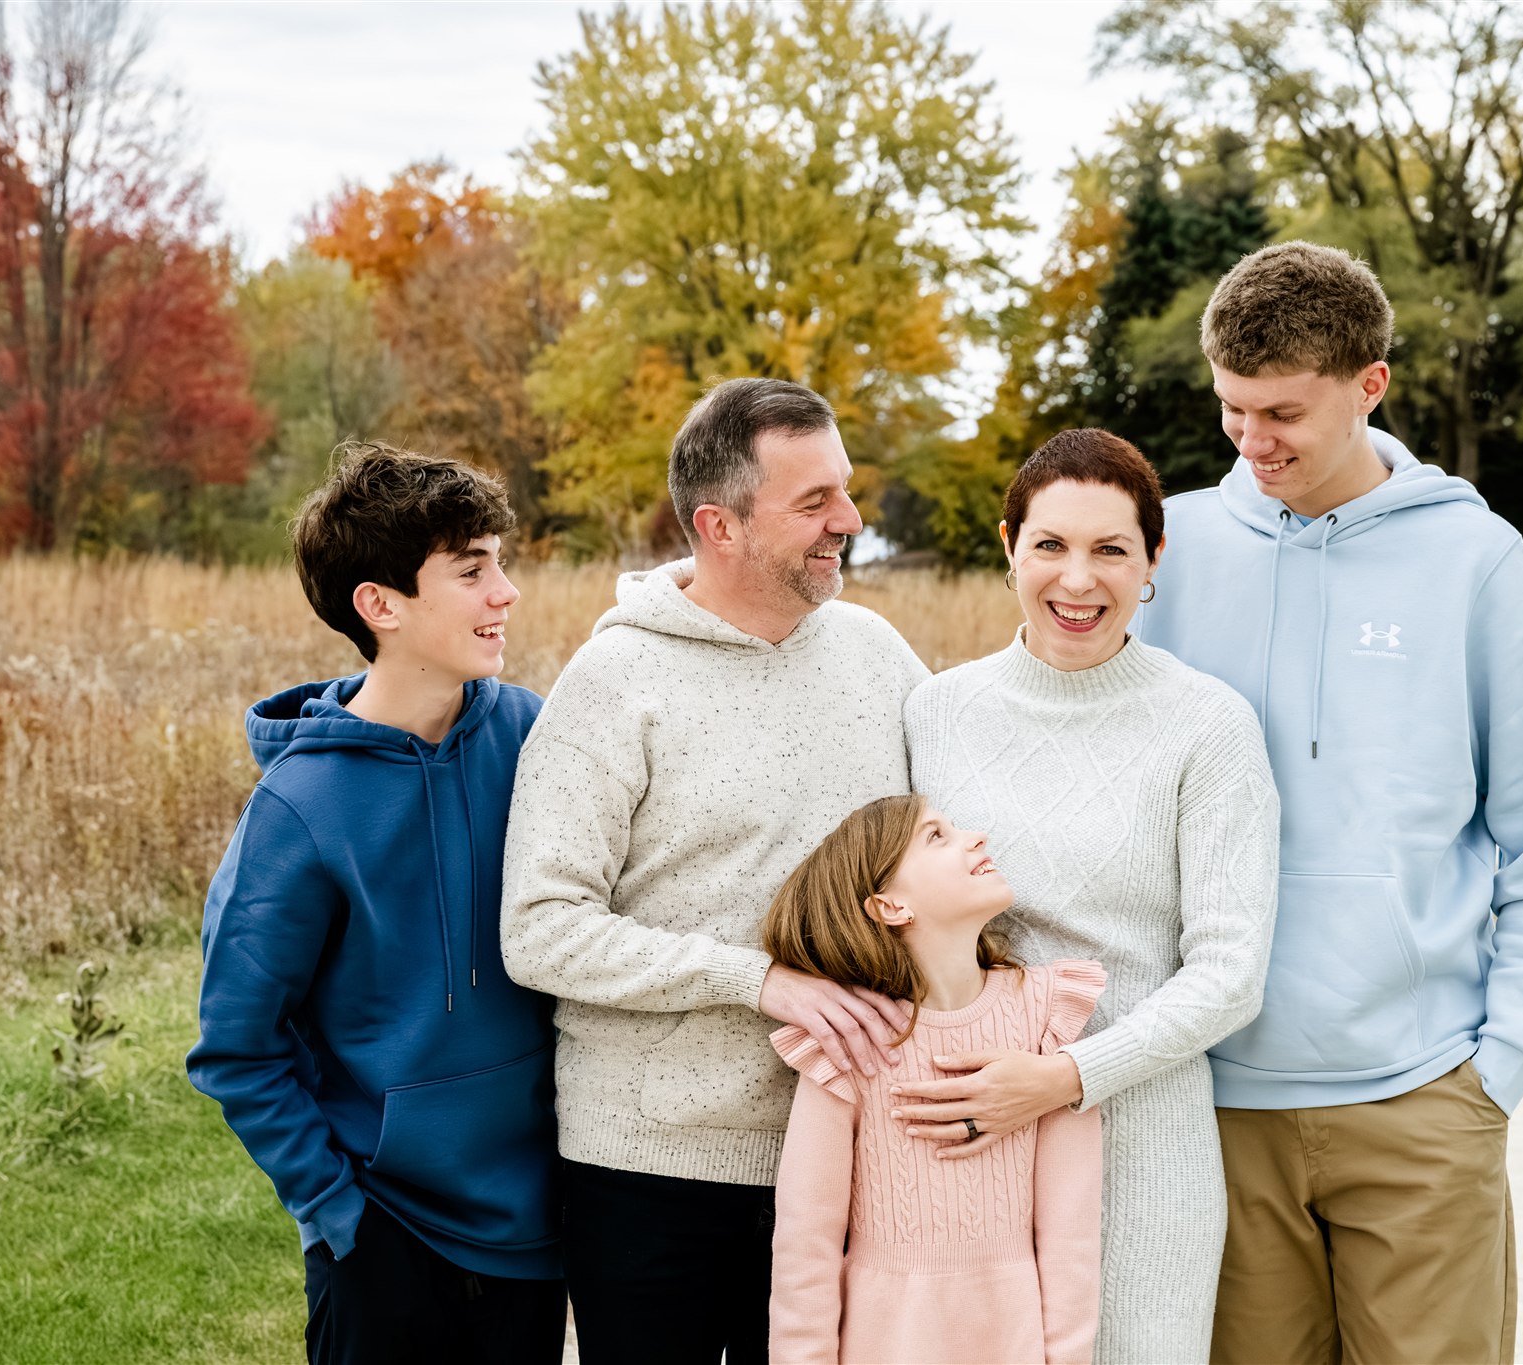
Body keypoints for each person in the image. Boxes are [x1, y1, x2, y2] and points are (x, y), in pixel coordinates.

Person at [1134, 241, 1523, 1365]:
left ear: (1367, 386)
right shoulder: (1167, 547)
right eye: (1231, 411)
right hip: (1213, 1102)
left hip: (1420, 1096)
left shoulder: (1474, 559)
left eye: (1282, 412)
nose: (1253, 444)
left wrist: (1501, 1066)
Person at [499, 378, 929, 1363]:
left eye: (845, 491)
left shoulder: (877, 657)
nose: (849, 522)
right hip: (653, 1168)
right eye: (813, 502)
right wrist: (758, 982)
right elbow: (540, 926)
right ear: (717, 525)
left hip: (851, 1150)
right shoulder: (613, 685)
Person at [894, 429, 1281, 1362]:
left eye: (1111, 549)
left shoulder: (1209, 725)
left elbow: (1231, 972)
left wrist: (1067, 1078)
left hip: (1142, 1143)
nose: (1078, 579)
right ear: (1008, 548)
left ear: (1154, 559)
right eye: (1051, 546)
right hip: (964, 1133)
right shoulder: (935, 712)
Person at [187, 442, 565, 1365]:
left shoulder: (535, 734)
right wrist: (333, 1211)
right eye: (472, 570)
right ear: (380, 605)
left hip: (535, 1227)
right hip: (384, 1232)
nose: (505, 591)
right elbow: (238, 1044)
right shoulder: (299, 807)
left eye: (500, 563)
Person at [764, 794, 1105, 1365]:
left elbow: (1072, 1233)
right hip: (883, 1343)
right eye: (936, 837)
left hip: (1013, 1341)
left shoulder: (1048, 1014)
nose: (976, 837)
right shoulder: (853, 1042)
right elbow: (806, 1245)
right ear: (889, 906)